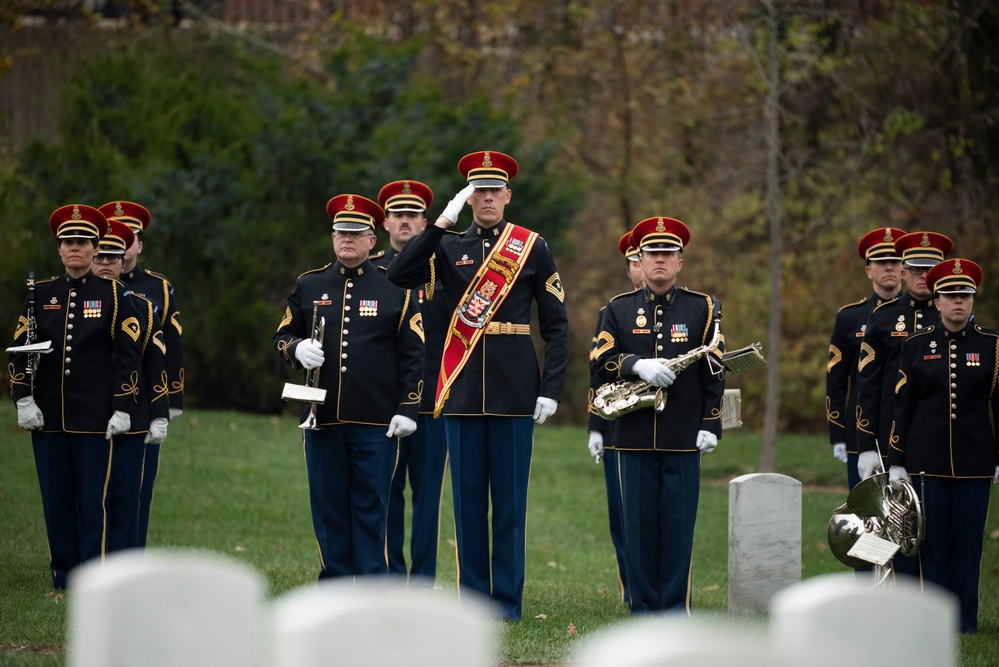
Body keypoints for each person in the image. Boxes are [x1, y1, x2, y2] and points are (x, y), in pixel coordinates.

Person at [387, 150, 569, 620]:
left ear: (508, 195)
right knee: (468, 508)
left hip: (514, 392)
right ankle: (473, 605)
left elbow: (556, 325)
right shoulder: (447, 247)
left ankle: (506, 604)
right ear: (469, 198)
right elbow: (399, 273)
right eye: (478, 190)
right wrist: (441, 221)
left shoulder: (531, 246)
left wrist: (550, 388)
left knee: (509, 506)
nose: (487, 197)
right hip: (462, 391)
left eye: (495, 189)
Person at [274, 193, 425, 579]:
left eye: (356, 234)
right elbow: (282, 335)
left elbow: (413, 354)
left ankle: (372, 591)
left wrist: (408, 408)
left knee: (372, 510)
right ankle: (335, 588)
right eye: (341, 233)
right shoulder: (309, 284)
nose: (347, 240)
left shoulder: (397, 288)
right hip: (320, 420)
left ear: (372, 239)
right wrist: (296, 348)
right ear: (332, 236)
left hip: (376, 422)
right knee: (328, 510)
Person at [591, 216, 725, 615]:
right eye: (653, 254)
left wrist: (711, 423)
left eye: (668, 253)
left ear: (680, 261)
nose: (660, 260)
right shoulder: (617, 309)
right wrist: (636, 364)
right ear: (641, 260)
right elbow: (601, 361)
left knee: (678, 529)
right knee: (638, 529)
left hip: (683, 436)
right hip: (631, 437)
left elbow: (714, 369)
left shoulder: (702, 307)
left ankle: (673, 609)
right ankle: (643, 609)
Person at [8, 204, 142, 589]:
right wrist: (22, 397)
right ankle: (62, 578)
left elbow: (127, 356)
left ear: (95, 245)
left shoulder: (115, 295)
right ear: (59, 249)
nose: (75, 249)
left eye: (83, 242)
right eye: (67, 242)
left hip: (95, 417)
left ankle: (91, 580)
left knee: (90, 503)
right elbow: (22, 346)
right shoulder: (41, 294)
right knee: (57, 502)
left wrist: (122, 406)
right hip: (48, 415)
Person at [887, 258, 997, 633]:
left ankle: (965, 623)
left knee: (967, 546)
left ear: (973, 301)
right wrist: (896, 458)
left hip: (976, 463)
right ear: (936, 302)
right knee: (931, 546)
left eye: (965, 295)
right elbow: (904, 406)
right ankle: (933, 622)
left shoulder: (992, 345)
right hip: (925, 462)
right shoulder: (917, 345)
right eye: (950, 295)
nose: (958, 302)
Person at [372, 179, 449, 587]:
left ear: (425, 222)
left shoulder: (445, 268)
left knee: (428, 499)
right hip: (386, 401)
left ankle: (423, 582)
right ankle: (390, 578)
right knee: (387, 496)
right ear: (385, 222)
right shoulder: (373, 272)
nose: (405, 221)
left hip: (435, 399)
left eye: (414, 215)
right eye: (398, 215)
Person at [98, 200, 184, 548]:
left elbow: (172, 347)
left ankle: (132, 550)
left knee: (138, 485)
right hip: (97, 397)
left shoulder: (158, 288)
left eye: (131, 234)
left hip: (145, 400)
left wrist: (171, 399)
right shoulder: (92, 282)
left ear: (139, 243)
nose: (125, 239)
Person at [855, 231, 953, 480]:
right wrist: (867, 444)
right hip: (890, 435)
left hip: (942, 440)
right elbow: (868, 384)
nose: (923, 276)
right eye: (916, 269)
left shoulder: (953, 318)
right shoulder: (881, 316)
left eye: (930, 269)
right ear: (903, 272)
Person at [586, 230, 644, 607]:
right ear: (628, 268)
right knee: (622, 514)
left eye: (647, 258)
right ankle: (631, 589)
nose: (642, 266)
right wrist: (595, 426)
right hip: (618, 425)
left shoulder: (686, 309)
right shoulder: (614, 311)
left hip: (668, 427)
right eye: (635, 261)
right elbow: (597, 371)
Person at [825, 227, 905, 491]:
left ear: (904, 268)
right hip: (861, 432)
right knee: (866, 516)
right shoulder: (849, 317)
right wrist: (837, 432)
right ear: (869, 270)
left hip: (910, 432)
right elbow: (836, 378)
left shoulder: (924, 318)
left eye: (895, 262)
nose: (889, 268)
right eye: (882, 263)